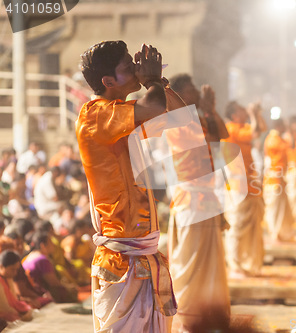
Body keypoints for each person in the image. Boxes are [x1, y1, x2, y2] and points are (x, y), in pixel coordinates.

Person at [76, 41, 176, 332]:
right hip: (122, 261)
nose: (136, 69)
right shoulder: (95, 115)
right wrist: (152, 81)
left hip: (143, 254)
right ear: (108, 82)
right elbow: (155, 106)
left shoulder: (124, 114)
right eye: (127, 67)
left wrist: (161, 84)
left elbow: (182, 120)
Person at [168, 73, 231, 332]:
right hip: (191, 202)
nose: (196, 91)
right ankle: (189, 315)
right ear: (181, 95)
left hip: (206, 199)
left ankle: (209, 313)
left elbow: (221, 137)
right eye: (191, 88)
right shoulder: (176, 121)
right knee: (190, 263)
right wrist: (204, 112)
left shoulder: (199, 119)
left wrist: (211, 111)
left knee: (211, 264)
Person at [222, 101, 266, 277]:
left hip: (249, 182)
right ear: (234, 115)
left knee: (251, 224)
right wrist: (253, 114)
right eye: (242, 110)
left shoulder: (241, 126)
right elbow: (255, 132)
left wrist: (256, 114)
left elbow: (260, 128)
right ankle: (235, 265)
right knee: (238, 225)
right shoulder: (231, 128)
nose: (245, 112)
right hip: (237, 184)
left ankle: (246, 262)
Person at [22, 231, 78, 303]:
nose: (53, 245)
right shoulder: (42, 259)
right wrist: (70, 288)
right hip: (42, 294)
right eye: (50, 242)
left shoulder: (29, 257)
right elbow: (53, 282)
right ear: (43, 245)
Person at [263, 119, 295, 242]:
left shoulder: (279, 139)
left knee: (282, 208)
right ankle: (274, 233)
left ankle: (282, 233)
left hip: (280, 179)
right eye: (283, 127)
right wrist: (289, 132)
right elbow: (288, 145)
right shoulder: (272, 139)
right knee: (274, 208)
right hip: (273, 180)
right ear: (278, 126)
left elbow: (290, 146)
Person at [0, 250, 33, 322]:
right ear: (1, 266)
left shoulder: (8, 278)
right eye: (12, 269)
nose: (15, 273)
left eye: (16, 270)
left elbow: (14, 300)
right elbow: (5, 308)